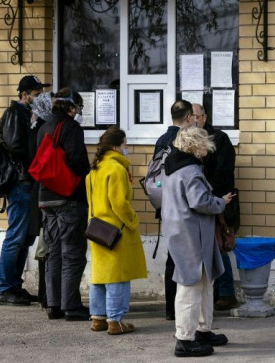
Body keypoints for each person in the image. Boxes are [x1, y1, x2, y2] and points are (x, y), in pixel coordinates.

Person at [162, 126, 235, 357]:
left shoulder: (174, 165)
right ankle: (184, 338)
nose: (208, 147)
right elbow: (200, 202)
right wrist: (221, 202)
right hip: (192, 233)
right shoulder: (191, 170)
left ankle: (201, 330)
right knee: (191, 285)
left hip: (182, 230)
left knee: (202, 282)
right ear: (195, 145)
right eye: (204, 143)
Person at [86, 126, 147, 335]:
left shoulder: (95, 169)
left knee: (100, 275)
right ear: (115, 147)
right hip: (117, 230)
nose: (126, 148)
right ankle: (115, 320)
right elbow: (120, 203)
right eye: (124, 144)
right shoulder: (117, 169)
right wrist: (133, 221)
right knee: (119, 275)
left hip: (97, 229)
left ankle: (98, 318)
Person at [38, 88, 91, 320]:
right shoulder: (72, 127)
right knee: (73, 253)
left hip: (46, 197)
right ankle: (71, 306)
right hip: (69, 197)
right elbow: (78, 161)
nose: (78, 112)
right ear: (71, 107)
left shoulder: (43, 127)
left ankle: (54, 304)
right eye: (78, 108)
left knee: (54, 252)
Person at [0, 75, 50, 306]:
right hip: (20, 182)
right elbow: (15, 147)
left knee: (26, 238)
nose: (39, 98)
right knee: (15, 236)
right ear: (24, 95)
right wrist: (33, 126)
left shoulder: (31, 115)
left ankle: (15, 286)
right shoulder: (14, 114)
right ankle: (6, 288)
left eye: (41, 94)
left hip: (30, 182)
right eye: (36, 95)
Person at [192, 103, 239, 311]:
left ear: (204, 118)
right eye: (189, 116)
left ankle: (227, 293)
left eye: (195, 116)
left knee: (219, 246)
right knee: (211, 247)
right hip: (206, 200)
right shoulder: (192, 141)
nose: (193, 120)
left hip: (219, 200)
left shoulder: (219, 139)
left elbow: (223, 172)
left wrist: (210, 195)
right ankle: (218, 292)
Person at [154, 99, 196, 320]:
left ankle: (170, 308)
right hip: (185, 210)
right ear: (188, 117)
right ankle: (186, 310)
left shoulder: (162, 140)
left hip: (166, 207)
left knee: (172, 259)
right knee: (187, 260)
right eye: (194, 118)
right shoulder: (185, 139)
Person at [30, 91, 54, 309]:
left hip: (40, 192)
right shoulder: (45, 130)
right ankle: (46, 295)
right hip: (46, 192)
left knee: (44, 244)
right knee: (47, 246)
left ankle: (44, 295)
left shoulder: (38, 127)